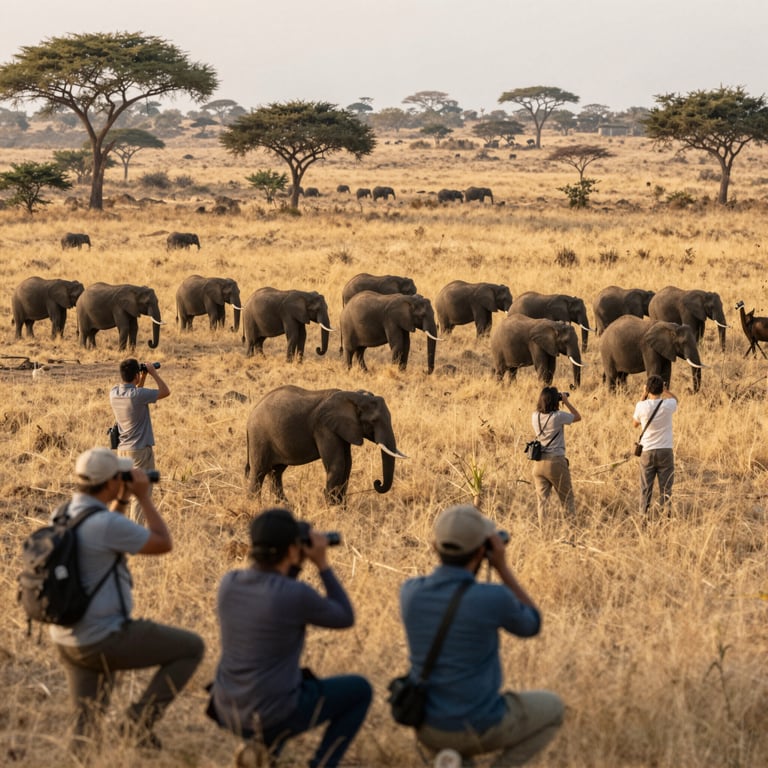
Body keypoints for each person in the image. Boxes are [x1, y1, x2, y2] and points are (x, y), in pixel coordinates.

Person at [52, 447, 205, 754]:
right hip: (104, 638)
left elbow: (109, 539)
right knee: (191, 648)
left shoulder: (64, 512)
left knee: (85, 728)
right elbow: (162, 543)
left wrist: (122, 500)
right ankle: (137, 723)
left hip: (68, 637)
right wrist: (144, 497)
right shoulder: (107, 526)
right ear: (109, 482)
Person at [399, 504, 563, 767]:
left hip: (427, 726)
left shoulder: (410, 592)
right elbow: (532, 624)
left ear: (434, 546)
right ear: (481, 551)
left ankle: (450, 758)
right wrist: (502, 568)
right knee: (554, 708)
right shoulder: (492, 598)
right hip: (477, 723)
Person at [210, 507, 372, 768]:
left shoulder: (230, 582)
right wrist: (322, 563)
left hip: (227, 708)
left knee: (287, 684)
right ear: (290, 550)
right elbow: (345, 617)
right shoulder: (295, 594)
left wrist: (295, 559)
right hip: (271, 712)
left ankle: (266, 755)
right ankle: (322, 764)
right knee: (359, 690)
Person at [109, 358, 169, 522]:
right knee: (141, 494)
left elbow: (134, 394)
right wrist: (154, 373)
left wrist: (141, 378)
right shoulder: (138, 395)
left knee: (125, 492)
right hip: (140, 451)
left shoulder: (114, 393)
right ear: (135, 375)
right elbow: (165, 391)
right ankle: (136, 534)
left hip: (122, 450)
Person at [531, 386, 581, 522]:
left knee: (542, 502)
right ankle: (572, 531)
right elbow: (577, 417)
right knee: (567, 498)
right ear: (554, 401)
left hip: (538, 463)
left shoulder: (535, 416)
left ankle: (544, 535)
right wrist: (566, 401)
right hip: (556, 462)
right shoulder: (558, 417)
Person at [633, 374, 678, 514]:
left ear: (647, 389)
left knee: (645, 487)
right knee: (666, 488)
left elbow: (635, 424)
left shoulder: (641, 406)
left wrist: (643, 394)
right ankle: (666, 514)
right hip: (665, 450)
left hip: (647, 451)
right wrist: (665, 390)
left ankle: (643, 515)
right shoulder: (668, 405)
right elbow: (675, 399)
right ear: (661, 388)